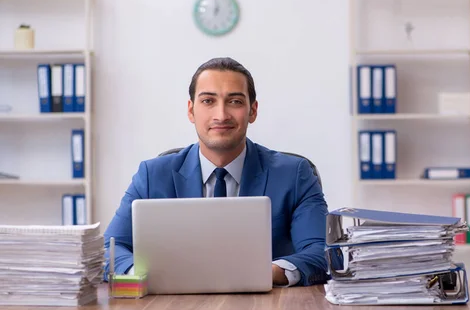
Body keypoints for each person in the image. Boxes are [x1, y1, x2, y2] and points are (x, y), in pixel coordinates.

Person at [103, 57, 329, 287]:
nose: (221, 115)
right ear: (191, 111)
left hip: (266, 309)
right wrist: (140, 274)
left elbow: (321, 251)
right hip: (172, 309)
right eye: (208, 101)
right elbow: (109, 248)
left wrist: (267, 273)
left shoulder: (294, 174)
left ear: (252, 110)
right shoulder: (152, 175)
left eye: (235, 101)